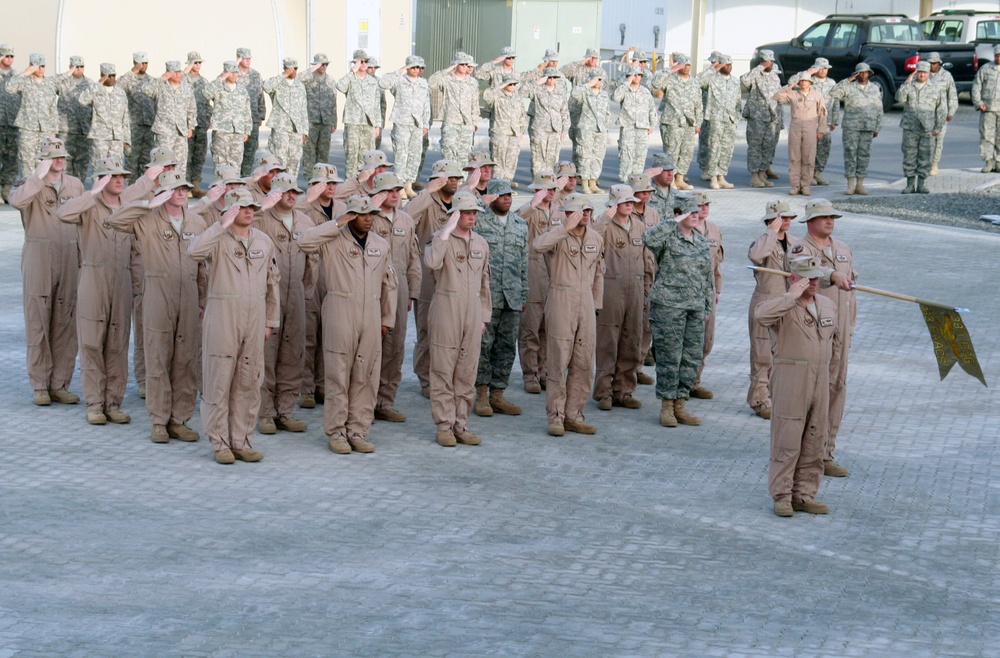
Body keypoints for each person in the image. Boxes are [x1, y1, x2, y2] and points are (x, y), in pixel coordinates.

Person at [110, 169, 207, 444]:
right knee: (158, 358)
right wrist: (146, 204)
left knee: (185, 359)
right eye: (175, 188)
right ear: (163, 192)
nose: (181, 192)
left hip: (187, 293)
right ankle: (158, 420)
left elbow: (202, 268)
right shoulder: (146, 220)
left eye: (183, 188)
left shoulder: (197, 222)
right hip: (157, 292)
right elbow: (115, 220)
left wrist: (202, 300)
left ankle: (180, 419)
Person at [187, 188, 279, 464]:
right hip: (223, 319)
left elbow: (273, 282)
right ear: (229, 210)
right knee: (219, 382)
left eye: (251, 207)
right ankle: (220, 442)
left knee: (249, 382)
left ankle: (241, 440)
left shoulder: (263, 240)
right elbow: (194, 251)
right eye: (241, 207)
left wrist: (270, 320)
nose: (248, 211)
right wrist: (220, 224)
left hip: (254, 319)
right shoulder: (216, 238)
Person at [299, 194, 396, 454]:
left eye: (371, 214)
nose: (368, 219)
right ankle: (337, 432)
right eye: (361, 214)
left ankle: (358, 430)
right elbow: (305, 241)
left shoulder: (380, 244)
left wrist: (387, 318)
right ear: (351, 215)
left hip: (371, 313)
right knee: (338, 374)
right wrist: (337, 222)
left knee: (366, 376)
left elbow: (390, 283)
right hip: (340, 310)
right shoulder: (332, 240)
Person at [756, 255, 840, 517]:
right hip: (791, 377)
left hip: (820, 378)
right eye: (806, 278)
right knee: (787, 438)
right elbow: (760, 316)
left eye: (815, 277)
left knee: (815, 436)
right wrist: (791, 297)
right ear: (794, 279)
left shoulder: (827, 305)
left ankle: (804, 494)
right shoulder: (782, 305)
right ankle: (782, 495)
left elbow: (834, 341)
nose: (812, 282)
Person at [56, 156, 134, 424]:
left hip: (122, 279)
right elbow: (63, 214)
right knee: (91, 342)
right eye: (112, 176)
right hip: (93, 276)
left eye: (122, 175)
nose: (119, 179)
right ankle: (94, 404)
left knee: (118, 343)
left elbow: (137, 250)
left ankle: (113, 402)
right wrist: (93, 193)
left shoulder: (129, 207)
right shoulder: (89, 206)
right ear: (101, 179)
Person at [10, 137, 85, 406]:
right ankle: (40, 384)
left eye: (62, 155)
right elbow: (17, 202)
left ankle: (60, 383)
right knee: (38, 321)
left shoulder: (74, 184)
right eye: (53, 156)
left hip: (69, 257)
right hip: (39, 258)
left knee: (66, 323)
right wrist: (38, 177)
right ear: (42, 159)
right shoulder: (27, 184)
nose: (59, 160)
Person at [786, 198, 856, 478]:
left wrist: (850, 324)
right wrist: (831, 275)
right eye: (824, 217)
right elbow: (806, 269)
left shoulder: (843, 249)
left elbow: (851, 288)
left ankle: (826, 452)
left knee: (836, 389)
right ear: (810, 221)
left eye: (833, 217)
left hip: (840, 331)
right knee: (815, 393)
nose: (830, 221)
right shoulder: (800, 249)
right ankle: (807, 454)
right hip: (813, 331)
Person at [424, 190, 491, 447]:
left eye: (475, 212)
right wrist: (446, 231)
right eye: (466, 212)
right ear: (455, 214)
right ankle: (444, 425)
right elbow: (431, 262)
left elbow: (485, 282)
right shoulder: (440, 239)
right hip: (446, 308)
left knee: (466, 371)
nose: (472, 217)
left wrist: (484, 315)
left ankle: (460, 424)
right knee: (443, 369)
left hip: (472, 312)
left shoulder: (481, 244)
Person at [534, 192, 603, 436]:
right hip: (561, 298)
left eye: (587, 211)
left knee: (584, 362)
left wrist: (596, 304)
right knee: (558, 361)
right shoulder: (558, 236)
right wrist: (565, 228)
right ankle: (556, 416)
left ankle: (574, 415)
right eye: (577, 211)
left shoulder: (596, 238)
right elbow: (538, 245)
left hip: (585, 301)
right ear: (566, 213)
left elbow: (598, 273)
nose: (583, 215)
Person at [643, 194, 713, 428]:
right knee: (669, 357)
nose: (695, 216)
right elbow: (648, 238)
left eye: (697, 212)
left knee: (691, 358)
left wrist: (707, 304)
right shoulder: (667, 236)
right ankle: (666, 405)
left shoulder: (701, 241)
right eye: (689, 212)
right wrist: (673, 221)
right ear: (678, 214)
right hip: (669, 307)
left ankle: (681, 403)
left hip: (694, 307)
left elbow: (707, 276)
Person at [253, 172, 312, 435]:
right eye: (285, 191)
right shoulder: (261, 220)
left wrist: (306, 291)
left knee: (293, 353)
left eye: (294, 192)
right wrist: (262, 207)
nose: (291, 196)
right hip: (269, 296)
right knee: (267, 355)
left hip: (296, 294)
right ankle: (265, 412)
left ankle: (285, 411)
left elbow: (313, 261)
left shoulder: (305, 222)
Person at [406, 159, 464, 396]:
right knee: (427, 330)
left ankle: (448, 376)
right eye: (448, 178)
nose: (453, 182)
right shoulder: (426, 202)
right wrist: (425, 192)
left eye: (455, 178)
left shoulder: (460, 202)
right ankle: (426, 379)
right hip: (428, 276)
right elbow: (405, 216)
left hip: (453, 274)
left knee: (452, 330)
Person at [368, 172, 421, 422]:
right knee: (369, 345)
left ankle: (385, 401)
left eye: (397, 190)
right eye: (388, 190)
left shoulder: (406, 220)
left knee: (395, 345)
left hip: (398, 289)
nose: (394, 194)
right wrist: (370, 208)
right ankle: (364, 402)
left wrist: (413, 291)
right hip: (370, 288)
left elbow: (413, 258)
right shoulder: (365, 216)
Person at [473, 178, 528, 418]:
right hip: (487, 296)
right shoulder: (479, 221)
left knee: (506, 346)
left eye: (509, 195)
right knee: (484, 346)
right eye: (501, 194)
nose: (506, 198)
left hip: (512, 296)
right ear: (491, 197)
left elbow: (524, 261)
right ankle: (482, 394)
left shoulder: (520, 224)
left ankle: (498, 393)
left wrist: (523, 292)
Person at [592, 185, 648, 411]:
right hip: (611, 290)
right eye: (624, 201)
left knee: (631, 340)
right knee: (608, 342)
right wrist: (605, 217)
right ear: (613, 203)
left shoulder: (639, 226)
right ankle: (604, 392)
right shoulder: (604, 225)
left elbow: (647, 257)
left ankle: (624, 390)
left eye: (631, 201)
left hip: (635, 289)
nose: (629, 204)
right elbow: (592, 239)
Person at [296, 163, 346, 408]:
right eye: (326, 184)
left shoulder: (343, 208)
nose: (331, 188)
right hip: (312, 275)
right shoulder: (305, 208)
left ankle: (323, 385)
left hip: (336, 275)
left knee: (331, 335)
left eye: (334, 183)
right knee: (308, 335)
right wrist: (309, 198)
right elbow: (292, 214)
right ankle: (306, 387)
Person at [747, 200, 797, 419]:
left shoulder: (795, 243)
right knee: (762, 355)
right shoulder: (762, 241)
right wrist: (771, 233)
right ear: (771, 220)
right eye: (781, 218)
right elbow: (756, 256)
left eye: (788, 218)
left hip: (787, 303)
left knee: (784, 353)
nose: (786, 221)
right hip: (765, 303)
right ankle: (759, 399)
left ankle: (776, 396)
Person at [517, 170, 562, 394]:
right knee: (530, 330)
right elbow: (514, 222)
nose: (551, 192)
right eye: (547, 188)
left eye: (554, 188)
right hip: (532, 275)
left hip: (554, 276)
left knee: (548, 329)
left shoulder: (559, 212)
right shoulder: (528, 211)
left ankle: (544, 371)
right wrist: (532, 205)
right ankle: (530, 374)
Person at [379, 55, 431, 199]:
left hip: (417, 123)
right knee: (401, 154)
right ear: (408, 67)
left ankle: (408, 185)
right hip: (402, 121)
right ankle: (399, 185)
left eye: (420, 67)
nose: (417, 70)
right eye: (414, 67)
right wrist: (400, 70)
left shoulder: (423, 83)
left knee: (415, 155)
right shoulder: (399, 80)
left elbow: (426, 104)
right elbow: (383, 83)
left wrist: (426, 123)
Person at [829, 63, 882, 195]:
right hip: (851, 127)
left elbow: (879, 108)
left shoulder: (874, 88)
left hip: (868, 126)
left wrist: (877, 126)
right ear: (856, 74)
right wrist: (847, 80)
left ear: (869, 74)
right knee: (850, 155)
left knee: (864, 155)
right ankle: (850, 184)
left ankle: (860, 184)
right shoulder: (849, 87)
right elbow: (834, 93)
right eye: (860, 73)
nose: (863, 75)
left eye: (866, 73)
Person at [651, 53, 702, 190]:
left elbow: (698, 103)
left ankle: (680, 178)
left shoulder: (694, 82)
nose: (686, 67)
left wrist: (698, 122)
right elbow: (654, 83)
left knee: (686, 152)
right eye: (682, 64)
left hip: (688, 122)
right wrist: (670, 69)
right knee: (671, 152)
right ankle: (670, 179)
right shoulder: (669, 79)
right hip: (672, 121)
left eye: (688, 64)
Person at [7, 53, 60, 181]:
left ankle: (41, 195)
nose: (41, 69)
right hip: (27, 129)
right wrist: (25, 72)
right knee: (27, 163)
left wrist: (54, 131)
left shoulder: (49, 84)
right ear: (31, 66)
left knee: (44, 163)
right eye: (38, 66)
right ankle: (28, 194)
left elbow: (53, 108)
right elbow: (9, 88)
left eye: (43, 66)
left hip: (45, 130)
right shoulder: (24, 81)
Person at [690, 191, 722, 399]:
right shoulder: (683, 229)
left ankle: (695, 381)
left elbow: (716, 263)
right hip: (687, 291)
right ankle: (682, 383)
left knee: (706, 340)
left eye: (706, 204)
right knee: (688, 339)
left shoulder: (715, 230)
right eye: (699, 205)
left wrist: (717, 288)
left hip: (708, 292)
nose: (704, 208)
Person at [773, 72, 827, 196]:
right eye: (801, 81)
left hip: (810, 127)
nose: (803, 83)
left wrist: (821, 130)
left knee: (809, 157)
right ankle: (795, 185)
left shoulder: (817, 95)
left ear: (810, 83)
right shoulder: (793, 94)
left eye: (806, 81)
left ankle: (806, 185)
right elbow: (776, 96)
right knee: (794, 157)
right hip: (795, 127)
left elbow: (823, 113)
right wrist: (789, 86)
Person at [897, 61, 944, 194]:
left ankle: (921, 184)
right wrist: (907, 82)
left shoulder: (935, 88)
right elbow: (899, 98)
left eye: (925, 72)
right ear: (916, 72)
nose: (922, 74)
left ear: (929, 73)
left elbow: (941, 109)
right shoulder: (909, 86)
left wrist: (938, 127)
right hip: (910, 127)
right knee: (909, 156)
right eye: (920, 72)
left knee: (926, 156)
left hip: (928, 128)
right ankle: (910, 184)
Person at [142, 61, 196, 172]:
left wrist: (191, 126)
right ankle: (162, 188)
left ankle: (179, 187)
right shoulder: (160, 86)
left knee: (180, 163)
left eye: (179, 72)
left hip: (181, 131)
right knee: (163, 164)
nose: (177, 75)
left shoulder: (186, 88)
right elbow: (145, 90)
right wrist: (162, 77)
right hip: (164, 130)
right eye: (174, 72)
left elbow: (191, 108)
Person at [698, 53, 741, 190]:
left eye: (729, 64)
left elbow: (738, 103)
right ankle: (713, 177)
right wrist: (713, 69)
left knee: (726, 149)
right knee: (714, 148)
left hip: (729, 120)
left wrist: (736, 118)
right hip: (715, 119)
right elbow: (697, 82)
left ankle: (721, 176)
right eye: (724, 64)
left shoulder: (735, 82)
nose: (727, 67)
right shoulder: (712, 79)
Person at [428, 52, 479, 165]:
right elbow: (431, 82)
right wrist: (447, 70)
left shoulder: (472, 82)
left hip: (466, 123)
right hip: (451, 122)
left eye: (466, 64)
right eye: (462, 64)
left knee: (465, 155)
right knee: (449, 153)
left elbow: (474, 103)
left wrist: (474, 122)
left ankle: (462, 181)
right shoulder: (447, 79)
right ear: (456, 65)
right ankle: (449, 180)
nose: (465, 67)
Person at [337, 49, 382, 178]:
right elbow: (340, 86)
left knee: (367, 156)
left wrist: (377, 125)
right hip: (353, 122)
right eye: (361, 61)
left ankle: (364, 184)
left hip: (368, 123)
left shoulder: (372, 82)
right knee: (352, 155)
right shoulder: (351, 78)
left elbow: (376, 104)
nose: (364, 64)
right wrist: (352, 71)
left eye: (365, 61)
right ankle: (350, 184)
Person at [742, 49, 783, 188]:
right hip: (756, 117)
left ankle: (762, 174)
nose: (769, 64)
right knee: (755, 147)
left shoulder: (774, 77)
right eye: (766, 61)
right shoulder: (755, 75)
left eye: (771, 61)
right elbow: (744, 81)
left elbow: (778, 97)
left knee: (768, 146)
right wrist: (759, 68)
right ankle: (754, 176)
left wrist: (779, 118)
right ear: (761, 61)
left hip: (771, 117)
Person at [262, 57, 309, 179]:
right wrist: (283, 75)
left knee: (294, 159)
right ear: (285, 68)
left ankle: (291, 186)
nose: (293, 71)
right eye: (290, 68)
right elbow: (266, 87)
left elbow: (303, 109)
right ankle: (279, 186)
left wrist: (305, 130)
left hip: (296, 128)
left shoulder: (300, 86)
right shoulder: (277, 82)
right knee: (280, 159)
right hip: (280, 126)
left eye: (295, 68)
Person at [202, 61, 252, 173]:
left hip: (238, 132)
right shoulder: (218, 87)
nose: (234, 75)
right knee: (221, 163)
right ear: (225, 73)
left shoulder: (242, 90)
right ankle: (220, 189)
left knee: (236, 163)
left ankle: (234, 188)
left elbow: (246, 111)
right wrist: (221, 78)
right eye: (231, 72)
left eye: (236, 72)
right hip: (222, 131)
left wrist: (247, 130)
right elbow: (206, 93)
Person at [612, 66, 657, 183]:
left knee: (640, 155)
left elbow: (652, 109)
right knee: (626, 154)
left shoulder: (645, 92)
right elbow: (615, 98)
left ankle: (636, 180)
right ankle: (625, 179)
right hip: (628, 127)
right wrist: (627, 82)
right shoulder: (624, 89)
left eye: (638, 75)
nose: (636, 77)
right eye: (634, 75)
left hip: (642, 128)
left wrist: (652, 124)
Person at [79, 63, 130, 164]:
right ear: (102, 75)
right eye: (108, 76)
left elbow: (125, 117)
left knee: (116, 169)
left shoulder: (120, 93)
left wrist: (126, 139)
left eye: (113, 76)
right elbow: (82, 100)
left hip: (117, 138)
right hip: (100, 137)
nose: (111, 78)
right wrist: (99, 83)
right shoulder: (95, 90)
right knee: (99, 168)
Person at [569, 69, 610, 194]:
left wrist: (606, 125)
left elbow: (607, 111)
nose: (599, 82)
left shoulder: (604, 94)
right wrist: (589, 84)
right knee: (585, 156)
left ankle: (593, 182)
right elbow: (574, 94)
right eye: (596, 79)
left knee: (598, 156)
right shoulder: (584, 92)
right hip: (586, 128)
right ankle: (585, 183)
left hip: (600, 129)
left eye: (600, 79)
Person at [524, 67, 570, 177]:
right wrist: (537, 82)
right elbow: (522, 92)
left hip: (555, 129)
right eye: (549, 77)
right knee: (538, 156)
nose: (552, 79)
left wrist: (565, 129)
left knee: (552, 157)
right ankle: (538, 181)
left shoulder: (560, 93)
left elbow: (564, 112)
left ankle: (549, 180)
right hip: (539, 128)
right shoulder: (537, 90)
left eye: (554, 77)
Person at [54, 56, 94, 181]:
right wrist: (68, 74)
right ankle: (66, 190)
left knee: (82, 162)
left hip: (84, 129)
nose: (79, 69)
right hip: (66, 128)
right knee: (65, 161)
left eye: (81, 66)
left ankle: (79, 190)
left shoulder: (89, 84)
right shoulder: (63, 81)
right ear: (70, 67)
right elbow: (50, 84)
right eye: (76, 67)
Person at [483, 73, 527, 186]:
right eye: (510, 84)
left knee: (512, 158)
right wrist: (499, 86)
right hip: (499, 132)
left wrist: (522, 130)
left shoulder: (517, 98)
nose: (512, 86)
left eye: (514, 84)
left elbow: (522, 115)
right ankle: (498, 182)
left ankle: (507, 181)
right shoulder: (496, 96)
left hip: (514, 133)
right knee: (498, 158)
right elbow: (486, 96)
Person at [118, 52, 156, 180]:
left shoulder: (152, 81)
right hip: (133, 126)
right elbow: (117, 87)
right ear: (135, 63)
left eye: (146, 63)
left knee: (147, 160)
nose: (144, 66)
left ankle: (144, 189)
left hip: (149, 125)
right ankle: (131, 189)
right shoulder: (128, 79)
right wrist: (133, 71)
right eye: (141, 63)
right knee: (132, 159)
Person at [804, 58, 838, 187]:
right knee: (809, 148)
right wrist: (808, 73)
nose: (824, 70)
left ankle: (818, 173)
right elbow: (794, 85)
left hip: (826, 121)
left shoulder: (831, 83)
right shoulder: (809, 81)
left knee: (824, 148)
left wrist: (834, 120)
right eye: (821, 68)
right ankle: (808, 174)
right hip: (810, 120)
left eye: (826, 68)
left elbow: (835, 102)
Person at [301, 53, 337, 176]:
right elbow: (297, 79)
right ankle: (310, 179)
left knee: (323, 153)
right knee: (309, 152)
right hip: (311, 121)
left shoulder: (331, 80)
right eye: (322, 64)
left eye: (326, 64)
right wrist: (313, 69)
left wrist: (334, 122)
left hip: (326, 121)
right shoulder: (307, 79)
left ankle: (322, 179)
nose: (324, 67)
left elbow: (333, 102)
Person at [235, 48, 266, 176]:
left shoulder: (256, 75)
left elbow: (260, 95)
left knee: (250, 150)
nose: (247, 61)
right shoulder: (232, 74)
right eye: (244, 58)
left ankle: (245, 177)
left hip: (253, 117)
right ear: (238, 58)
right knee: (236, 151)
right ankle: (235, 178)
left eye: (249, 58)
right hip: (237, 119)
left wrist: (261, 114)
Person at [184, 52, 211, 197]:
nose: (198, 65)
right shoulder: (183, 79)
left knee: (199, 155)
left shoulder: (204, 82)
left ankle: (196, 184)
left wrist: (208, 119)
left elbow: (207, 103)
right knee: (186, 155)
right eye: (195, 63)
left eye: (199, 63)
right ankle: (186, 185)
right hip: (187, 124)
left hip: (200, 123)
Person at [926, 52, 957, 177]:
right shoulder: (923, 74)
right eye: (929, 63)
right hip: (926, 113)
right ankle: (925, 164)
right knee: (926, 141)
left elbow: (952, 95)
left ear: (938, 63)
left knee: (938, 140)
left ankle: (934, 163)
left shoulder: (946, 76)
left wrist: (951, 111)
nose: (931, 66)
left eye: (934, 63)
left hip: (941, 113)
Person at [972, 44, 1000, 174]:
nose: (999, 58)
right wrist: (979, 103)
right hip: (988, 108)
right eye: (997, 56)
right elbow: (976, 87)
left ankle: (999, 162)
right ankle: (988, 161)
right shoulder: (985, 69)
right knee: (986, 136)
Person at [0, 43, 19, 202]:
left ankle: (6, 189)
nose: (9, 59)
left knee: (11, 160)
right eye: (6, 55)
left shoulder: (17, 76)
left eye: (11, 56)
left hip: (12, 123)